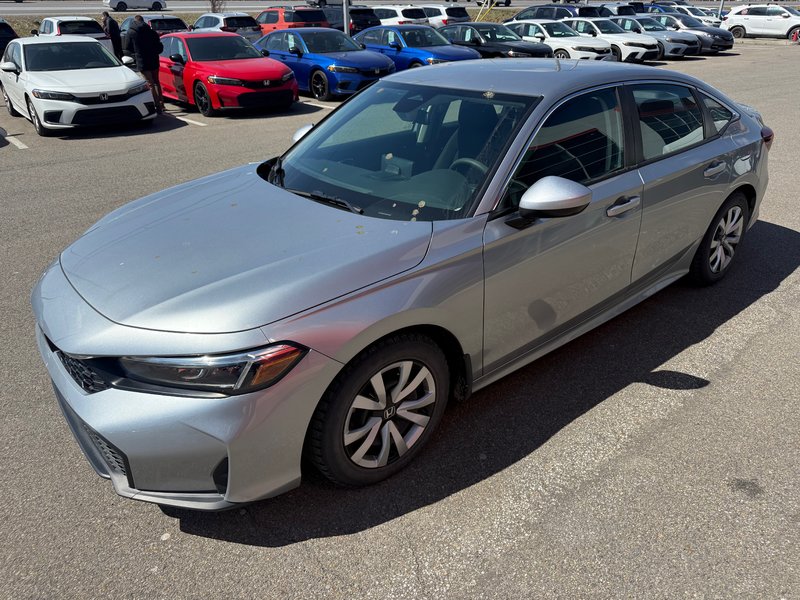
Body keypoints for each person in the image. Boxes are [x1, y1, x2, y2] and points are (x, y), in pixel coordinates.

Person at [126, 15, 165, 113]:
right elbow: (159, 48)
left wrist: (136, 52)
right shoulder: (152, 32)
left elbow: (128, 47)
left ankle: (157, 106)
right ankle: (161, 103)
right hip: (153, 59)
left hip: (142, 60)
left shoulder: (131, 32)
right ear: (144, 21)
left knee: (150, 83)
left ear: (134, 22)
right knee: (156, 82)